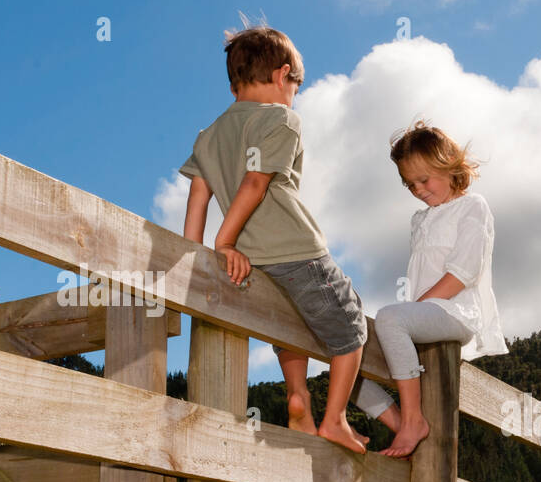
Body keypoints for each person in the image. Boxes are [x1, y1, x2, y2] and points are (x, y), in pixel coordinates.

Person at [179, 23, 391, 454]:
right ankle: (334, 420)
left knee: (289, 325)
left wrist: (196, 257)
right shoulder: (282, 119)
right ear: (282, 75)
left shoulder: (208, 136)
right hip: (297, 250)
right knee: (350, 326)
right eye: (297, 84)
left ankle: (299, 400)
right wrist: (224, 243)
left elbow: (197, 200)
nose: (295, 94)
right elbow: (255, 183)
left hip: (254, 263)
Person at [365, 121, 507, 458]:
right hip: (421, 315)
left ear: (449, 166)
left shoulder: (473, 207)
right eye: (409, 184)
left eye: (424, 179)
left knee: (389, 319)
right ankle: (402, 422)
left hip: (456, 313)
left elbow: (462, 273)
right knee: (346, 352)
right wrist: (409, 316)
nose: (418, 189)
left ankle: (414, 420)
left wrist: (410, 314)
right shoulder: (420, 220)